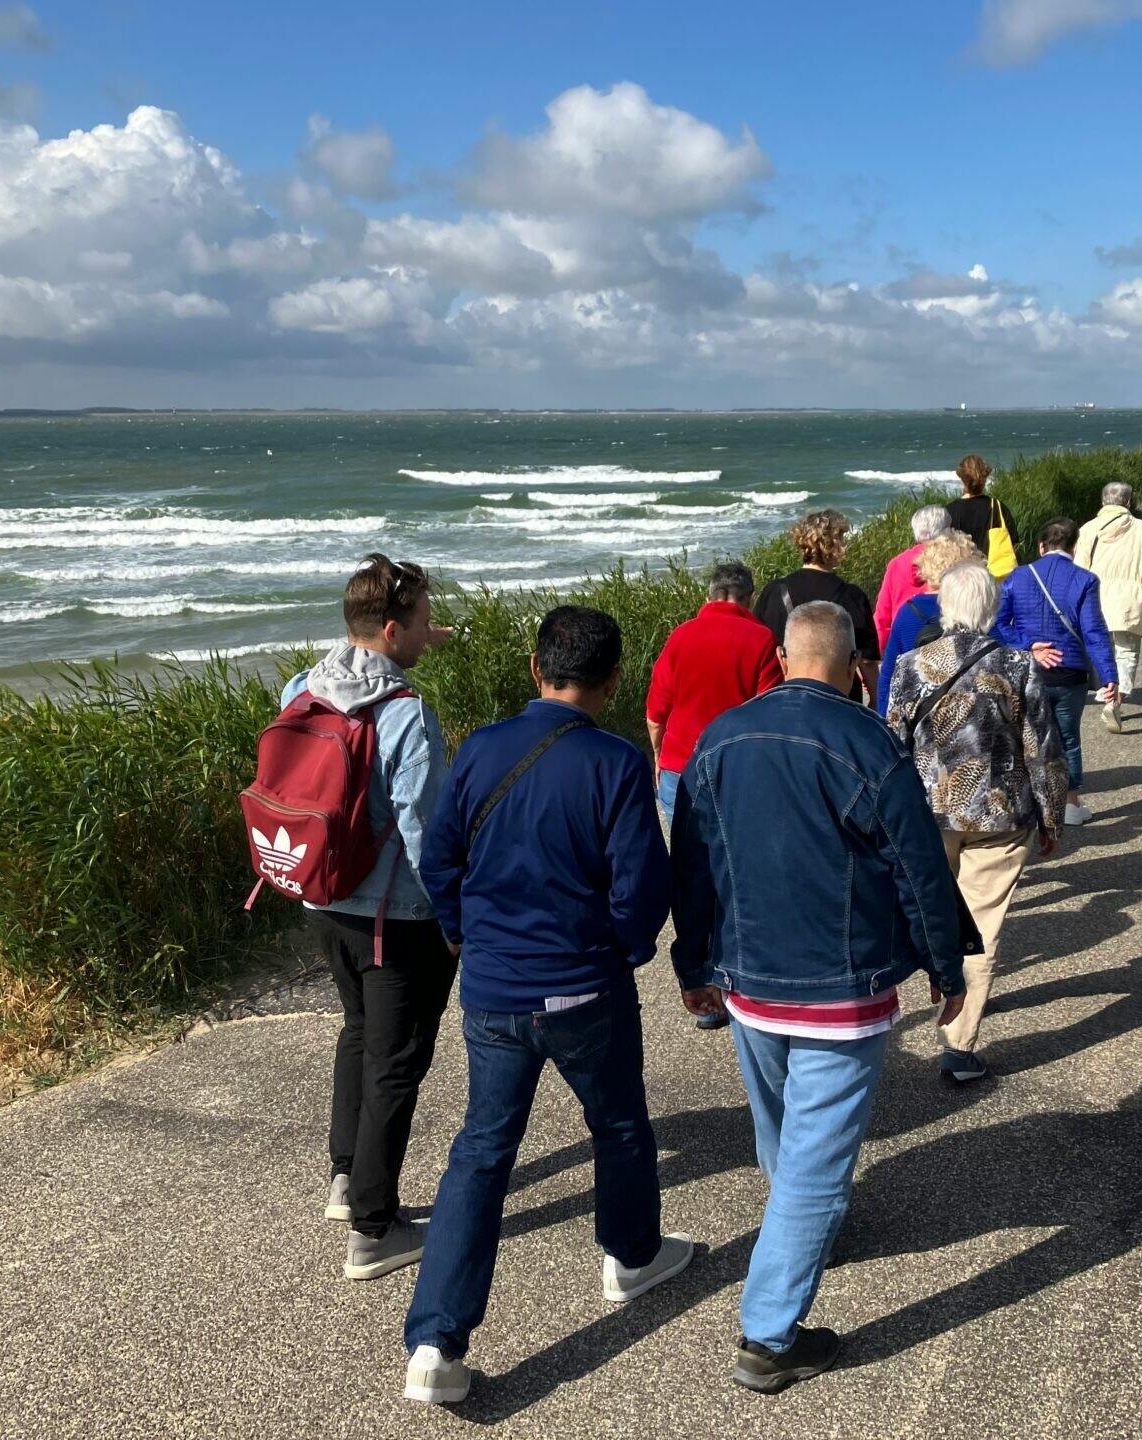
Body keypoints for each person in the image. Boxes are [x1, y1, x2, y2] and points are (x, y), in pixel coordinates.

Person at [670, 602, 965, 1395]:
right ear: (854, 664)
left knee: (783, 1137)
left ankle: (803, 1238)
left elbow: (692, 863)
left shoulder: (721, 738)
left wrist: (691, 961)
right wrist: (946, 966)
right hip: (841, 988)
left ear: (785, 658)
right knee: (816, 1166)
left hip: (748, 981)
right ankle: (768, 1336)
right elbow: (917, 866)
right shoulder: (867, 741)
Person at [403, 606, 694, 1405]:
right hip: (583, 985)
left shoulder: (481, 747)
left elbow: (440, 857)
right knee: (620, 1123)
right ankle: (631, 1256)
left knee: (482, 1150)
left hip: (494, 988)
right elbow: (643, 887)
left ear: (537, 669)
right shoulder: (617, 762)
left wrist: (465, 933)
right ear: (612, 681)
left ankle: (435, 1340)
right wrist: (625, 951)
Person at [278, 554, 456, 1285]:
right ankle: (374, 1230)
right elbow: (423, 828)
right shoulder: (406, 714)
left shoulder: (304, 685)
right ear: (390, 628)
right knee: (397, 1065)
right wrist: (455, 917)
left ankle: (345, 1178)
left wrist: (420, 635)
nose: (426, 634)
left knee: (357, 1035)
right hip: (396, 914)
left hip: (323, 897)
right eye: (419, 624)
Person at [885, 563, 1066, 1083]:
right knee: (981, 926)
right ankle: (958, 1048)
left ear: (944, 606)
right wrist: (1051, 814)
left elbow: (894, 746)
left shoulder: (909, 666)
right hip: (1001, 813)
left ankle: (940, 991)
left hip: (926, 815)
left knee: (930, 911)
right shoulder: (1017, 665)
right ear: (990, 608)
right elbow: (1042, 749)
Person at [646, 561, 781, 1032]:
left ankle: (698, 980)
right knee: (737, 874)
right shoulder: (762, 639)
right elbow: (769, 712)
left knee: (690, 875)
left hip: (681, 768)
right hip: (738, 770)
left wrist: (659, 757)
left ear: (710, 593)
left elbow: (656, 710)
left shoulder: (681, 636)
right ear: (748, 594)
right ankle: (734, 976)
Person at [993, 518, 1118, 826]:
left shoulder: (1017, 577)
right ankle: (1070, 806)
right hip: (1069, 672)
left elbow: (996, 625)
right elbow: (1094, 632)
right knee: (1068, 739)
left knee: (1024, 738)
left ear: (1041, 546)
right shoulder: (1085, 580)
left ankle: (1027, 805)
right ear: (1074, 547)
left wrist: (1029, 644)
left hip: (1028, 672)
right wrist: (1109, 674)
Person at [754, 509, 881, 703]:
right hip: (840, 697)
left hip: (784, 695)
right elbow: (867, 662)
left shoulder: (773, 592)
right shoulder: (851, 596)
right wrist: (875, 698)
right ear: (834, 545)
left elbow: (760, 649)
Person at [1074, 481, 1142, 733]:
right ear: (1128, 502)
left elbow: (1079, 571)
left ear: (1103, 501)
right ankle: (1115, 701)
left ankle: (1106, 692)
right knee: (1126, 654)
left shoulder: (1088, 529)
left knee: (1101, 654)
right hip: (1129, 600)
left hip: (1095, 601)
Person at [877, 527, 981, 715]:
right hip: (971, 707)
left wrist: (885, 719)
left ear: (928, 565)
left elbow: (888, 675)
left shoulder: (908, 612)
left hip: (920, 712)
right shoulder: (975, 608)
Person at [871, 503, 953, 650]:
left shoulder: (896, 564)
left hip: (903, 642)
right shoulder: (951, 561)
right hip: (944, 642)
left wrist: (881, 652)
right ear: (946, 531)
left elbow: (883, 616)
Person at [944, 454, 1019, 571]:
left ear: (962, 479)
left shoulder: (949, 511)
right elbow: (1012, 545)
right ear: (985, 478)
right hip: (993, 575)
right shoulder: (997, 507)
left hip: (960, 576)